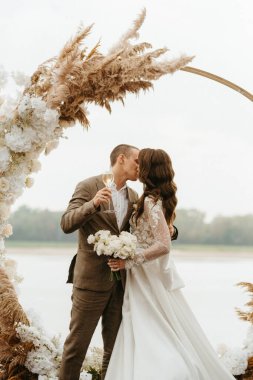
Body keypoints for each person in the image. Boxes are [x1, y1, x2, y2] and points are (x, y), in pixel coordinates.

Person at [106, 148, 235, 380]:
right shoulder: (152, 199)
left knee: (152, 325)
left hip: (146, 274)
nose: (137, 166)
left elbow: (164, 244)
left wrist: (130, 261)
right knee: (151, 323)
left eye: (140, 163)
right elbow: (163, 232)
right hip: (144, 273)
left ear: (147, 169)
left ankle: (168, 372)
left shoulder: (151, 202)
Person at [59, 144, 178, 380]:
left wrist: (171, 232)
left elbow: (150, 232)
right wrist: (92, 204)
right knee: (76, 348)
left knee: (115, 352)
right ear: (121, 159)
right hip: (90, 282)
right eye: (137, 161)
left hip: (123, 284)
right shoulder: (88, 186)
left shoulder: (136, 197)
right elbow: (66, 224)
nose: (141, 167)